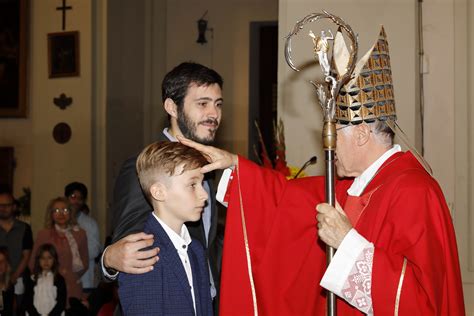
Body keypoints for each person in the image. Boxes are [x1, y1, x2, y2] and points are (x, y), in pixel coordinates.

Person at [178, 26, 465, 315]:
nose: (328, 147)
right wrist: (236, 167)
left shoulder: (414, 191)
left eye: (334, 134)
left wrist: (347, 242)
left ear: (362, 134)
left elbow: (420, 303)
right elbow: (285, 199)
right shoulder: (353, 185)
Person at [101, 62, 223, 306]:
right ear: (171, 107)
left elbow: (209, 243)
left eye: (218, 104)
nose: (213, 114)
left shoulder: (211, 167)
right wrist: (107, 260)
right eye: (202, 104)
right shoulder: (143, 166)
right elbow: (129, 251)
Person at [118, 141, 213, 316]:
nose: (204, 194)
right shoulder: (143, 255)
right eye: (192, 185)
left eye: (202, 184)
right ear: (159, 192)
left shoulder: (196, 249)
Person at [29, 197, 89, 304]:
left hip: (73, 285)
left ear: (71, 212)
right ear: (51, 214)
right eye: (56, 211)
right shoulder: (44, 234)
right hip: (49, 286)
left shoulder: (80, 234)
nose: (61, 214)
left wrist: (72, 275)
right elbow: (33, 263)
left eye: (65, 210)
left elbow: (85, 261)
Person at [0, 188, 33, 314]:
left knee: (18, 311)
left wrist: (13, 278)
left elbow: (26, 255)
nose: (3, 208)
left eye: (6, 205)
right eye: (0, 205)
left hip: (18, 279)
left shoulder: (24, 228)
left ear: (14, 206)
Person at [65, 182, 101, 293]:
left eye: (80, 198)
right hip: (62, 279)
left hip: (84, 279)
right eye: (73, 197)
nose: (76, 201)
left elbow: (94, 250)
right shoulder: (59, 220)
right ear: (66, 198)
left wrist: (69, 252)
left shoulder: (90, 223)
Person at [24, 243, 67, 316]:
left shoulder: (59, 279)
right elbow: (28, 301)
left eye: (49, 258)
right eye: (43, 258)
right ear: (38, 260)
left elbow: (61, 302)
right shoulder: (32, 279)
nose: (46, 261)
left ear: (54, 260)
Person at [0, 247, 14, 316]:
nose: (0, 265)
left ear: (7, 264)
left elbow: (8, 311)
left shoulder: (9, 286)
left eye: (2, 261)